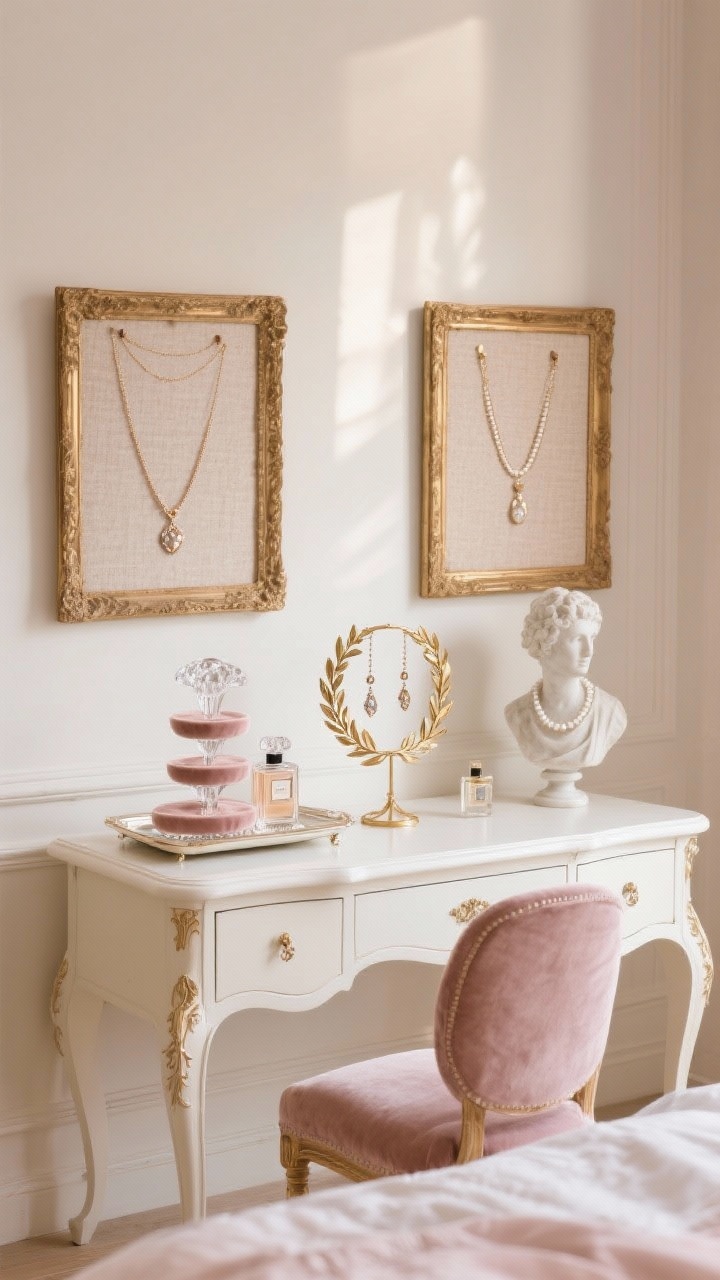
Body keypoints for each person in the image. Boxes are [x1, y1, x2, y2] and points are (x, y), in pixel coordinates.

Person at [504, 587, 626, 771]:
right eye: (577, 640)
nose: (589, 651)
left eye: (592, 638)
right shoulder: (517, 714)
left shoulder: (610, 713)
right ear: (546, 643)